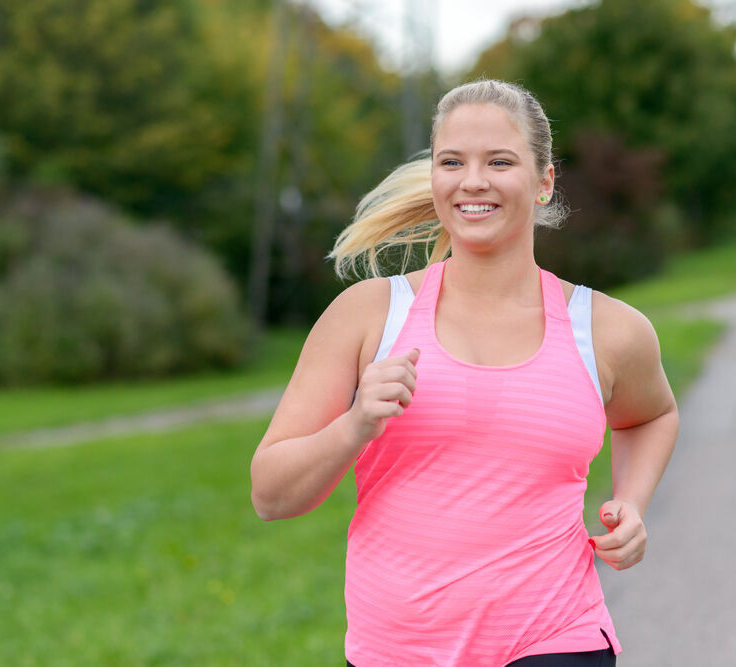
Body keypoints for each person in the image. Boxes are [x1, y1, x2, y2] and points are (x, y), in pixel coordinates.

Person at [250, 79, 679, 667]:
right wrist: (355, 425)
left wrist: (631, 501)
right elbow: (271, 495)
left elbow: (651, 414)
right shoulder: (369, 316)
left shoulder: (606, 329)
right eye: (452, 161)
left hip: (554, 636)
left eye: (499, 161)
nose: (473, 180)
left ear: (545, 181)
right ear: (436, 178)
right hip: (398, 650)